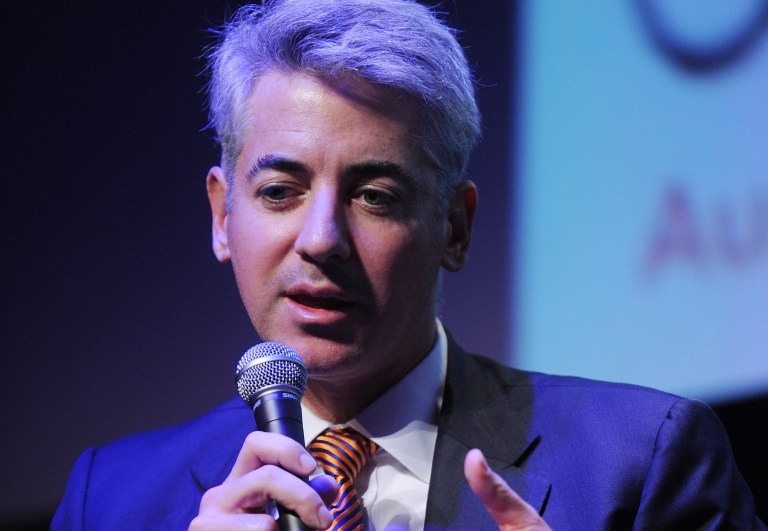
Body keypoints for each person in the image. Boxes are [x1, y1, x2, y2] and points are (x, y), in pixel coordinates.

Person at [53, 0, 764, 529]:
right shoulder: (110, 499)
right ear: (221, 215)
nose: (321, 237)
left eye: (375, 196)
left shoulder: (639, 462)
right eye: (279, 191)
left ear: (454, 226)